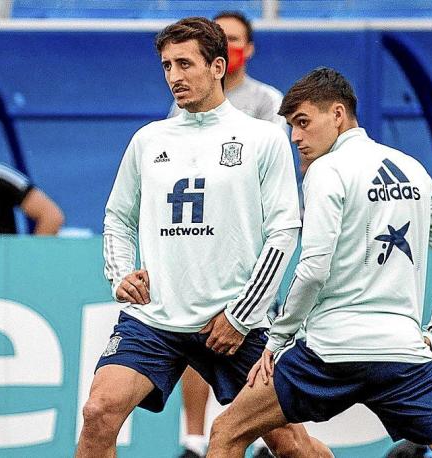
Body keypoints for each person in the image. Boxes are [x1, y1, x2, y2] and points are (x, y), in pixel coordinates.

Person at [75, 17, 331, 458]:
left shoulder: (263, 138)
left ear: (217, 66)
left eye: (185, 64)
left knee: (290, 444)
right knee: (99, 410)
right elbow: (118, 215)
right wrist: (119, 274)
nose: (174, 76)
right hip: (155, 319)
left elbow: (284, 230)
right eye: (166, 66)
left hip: (233, 320)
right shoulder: (147, 140)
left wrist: (240, 314)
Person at [206, 68, 432, 458]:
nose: (295, 138)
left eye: (302, 122)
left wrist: (278, 339)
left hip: (330, 354)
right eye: (290, 126)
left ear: (337, 114)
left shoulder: (326, 170)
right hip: (403, 355)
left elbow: (313, 269)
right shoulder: (412, 169)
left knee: (226, 432)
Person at [167, 12, 286, 458]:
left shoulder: (266, 103)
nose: (228, 45)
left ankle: (262, 439)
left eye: (234, 38)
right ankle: (195, 441)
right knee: (197, 335)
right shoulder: (181, 104)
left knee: (257, 344)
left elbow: (266, 180)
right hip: (197, 243)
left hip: (250, 249)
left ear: (247, 48)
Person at [168, 11, 284, 128]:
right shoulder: (188, 98)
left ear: (249, 49)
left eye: (232, 39)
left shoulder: (268, 99)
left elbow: (273, 143)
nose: (225, 46)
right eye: (219, 39)